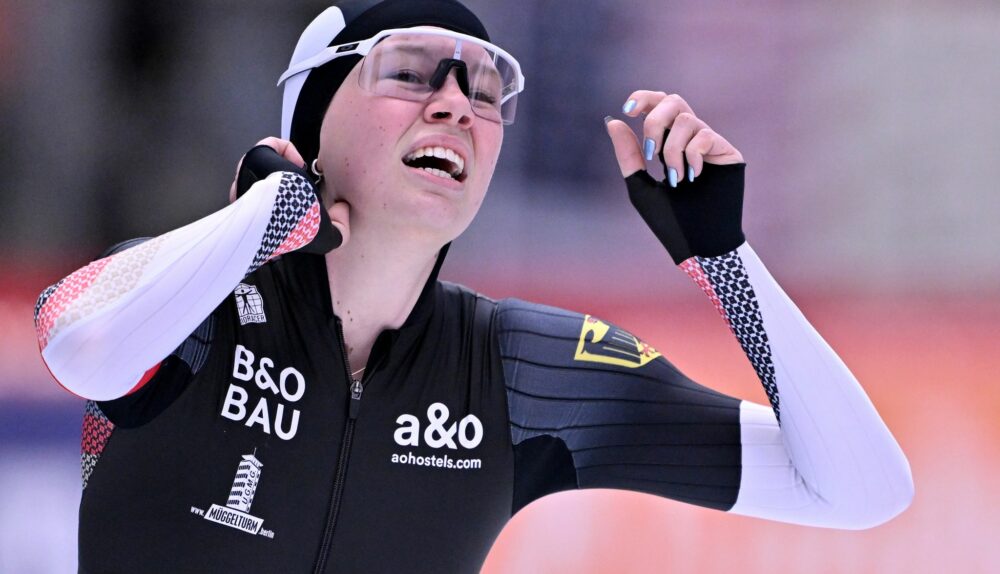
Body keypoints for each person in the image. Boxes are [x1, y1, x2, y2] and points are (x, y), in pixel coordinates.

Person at [33, 1, 913, 572]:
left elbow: (863, 491)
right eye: (411, 74)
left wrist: (725, 259)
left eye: (486, 89)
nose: (457, 104)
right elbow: (78, 343)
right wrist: (267, 221)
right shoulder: (199, 300)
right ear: (313, 111)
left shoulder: (518, 371)